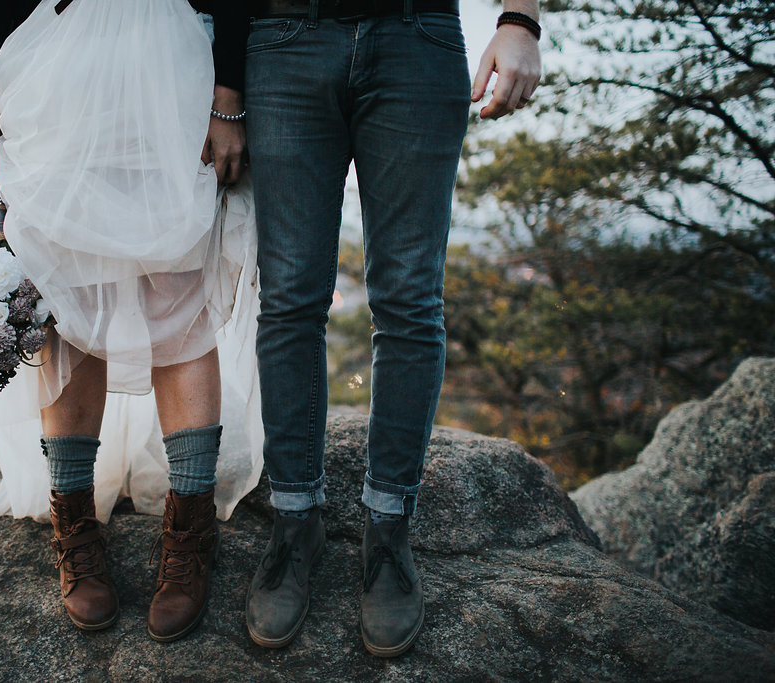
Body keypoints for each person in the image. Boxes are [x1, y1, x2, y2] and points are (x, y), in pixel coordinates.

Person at [239, 0, 542, 657]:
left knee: (408, 298)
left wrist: (519, 17)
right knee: (290, 295)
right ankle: (296, 522)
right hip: (283, 34)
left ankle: (388, 532)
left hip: (417, 30)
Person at [0, 0, 260, 642]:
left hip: (170, 54)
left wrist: (227, 94)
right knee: (67, 296)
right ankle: (74, 526)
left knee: (178, 290)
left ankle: (189, 531)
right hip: (51, 61)